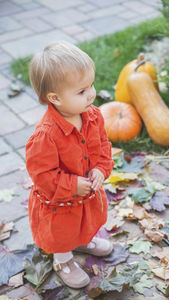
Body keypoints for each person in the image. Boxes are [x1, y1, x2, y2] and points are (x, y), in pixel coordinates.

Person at [25, 40, 115, 289]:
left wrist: (100, 169)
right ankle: (63, 259)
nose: (92, 94)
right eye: (81, 91)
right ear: (55, 98)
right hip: (61, 201)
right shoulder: (46, 136)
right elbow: (42, 175)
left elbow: (104, 148)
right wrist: (72, 184)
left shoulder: (93, 116)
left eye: (91, 85)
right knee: (63, 231)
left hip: (86, 196)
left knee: (85, 221)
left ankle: (84, 240)